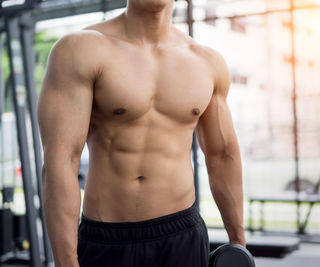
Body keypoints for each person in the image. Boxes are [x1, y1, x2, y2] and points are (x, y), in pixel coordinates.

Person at [37, 0, 245, 266]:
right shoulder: (81, 49)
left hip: (182, 234)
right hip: (108, 239)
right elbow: (61, 161)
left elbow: (223, 155)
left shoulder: (207, 62)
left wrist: (238, 244)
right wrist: (66, 261)